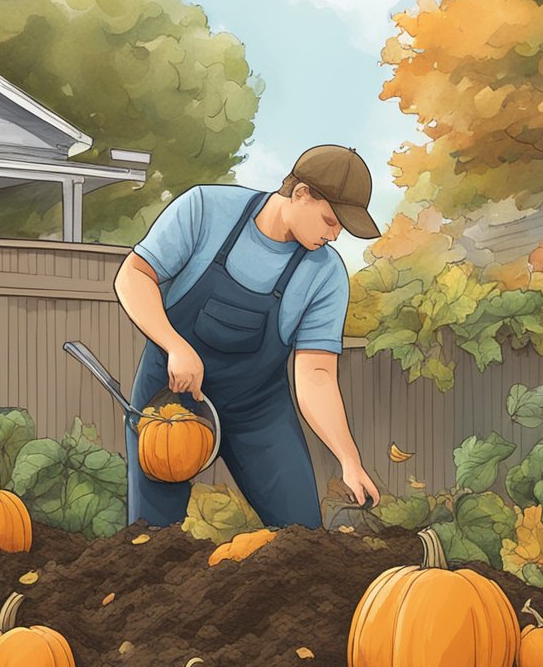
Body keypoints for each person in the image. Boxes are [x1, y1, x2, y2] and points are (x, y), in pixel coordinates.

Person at [113, 145, 384, 528]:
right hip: (171, 399)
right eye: (330, 220)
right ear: (302, 193)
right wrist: (175, 345)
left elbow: (317, 375)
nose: (335, 235)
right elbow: (133, 275)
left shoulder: (326, 275)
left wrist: (348, 460)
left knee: (301, 536)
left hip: (258, 410)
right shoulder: (206, 208)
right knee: (151, 537)